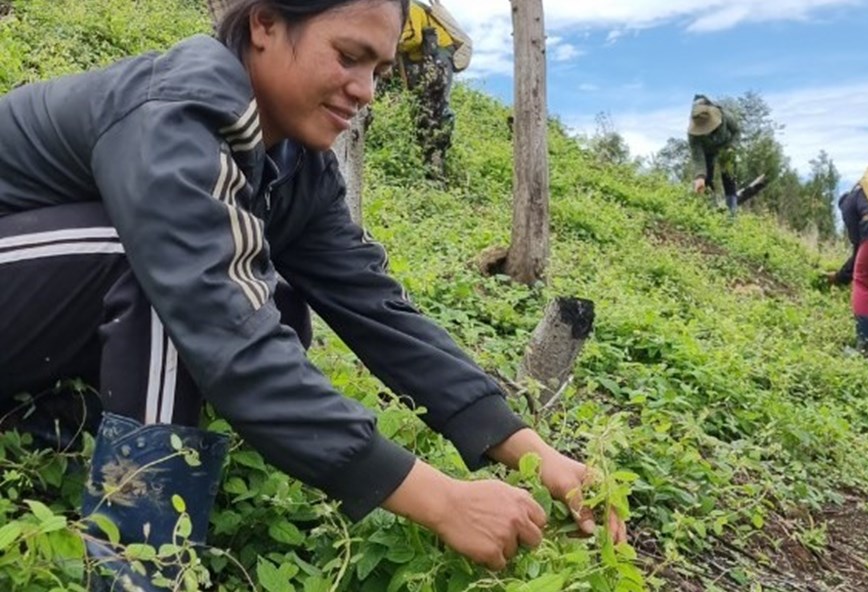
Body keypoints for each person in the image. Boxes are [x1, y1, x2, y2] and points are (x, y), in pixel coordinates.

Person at [0, 0, 625, 587]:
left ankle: (40, 431)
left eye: (379, 69)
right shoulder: (178, 112)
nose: (366, 90)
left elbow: (376, 307)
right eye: (349, 56)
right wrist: (442, 500)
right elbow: (225, 332)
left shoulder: (297, 164)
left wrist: (528, 449)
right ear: (266, 25)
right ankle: (139, 566)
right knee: (164, 273)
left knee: (271, 300)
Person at [827, 149, 868, 358]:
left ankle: (864, 350)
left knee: (864, 281)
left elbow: (859, 248)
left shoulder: (849, 203)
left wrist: (840, 277)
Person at [396, 0, 469, 177]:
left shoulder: (411, 7)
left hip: (436, 59)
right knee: (427, 109)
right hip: (433, 60)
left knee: (433, 111)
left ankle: (434, 168)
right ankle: (430, 163)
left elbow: (414, 38)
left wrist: (391, 44)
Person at [687, 94, 766, 215]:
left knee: (729, 177)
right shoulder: (693, 135)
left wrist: (731, 147)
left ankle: (732, 212)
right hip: (708, 151)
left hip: (726, 148)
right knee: (706, 179)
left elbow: (737, 132)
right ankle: (708, 210)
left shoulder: (725, 116)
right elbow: (698, 156)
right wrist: (700, 177)